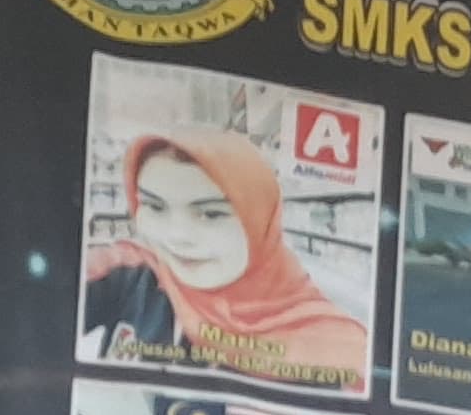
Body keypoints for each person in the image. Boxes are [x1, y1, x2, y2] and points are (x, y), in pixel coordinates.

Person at [81, 125, 372, 387]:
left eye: (211, 214)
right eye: (155, 207)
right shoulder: (132, 275)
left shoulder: (332, 344)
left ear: (260, 220)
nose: (177, 236)